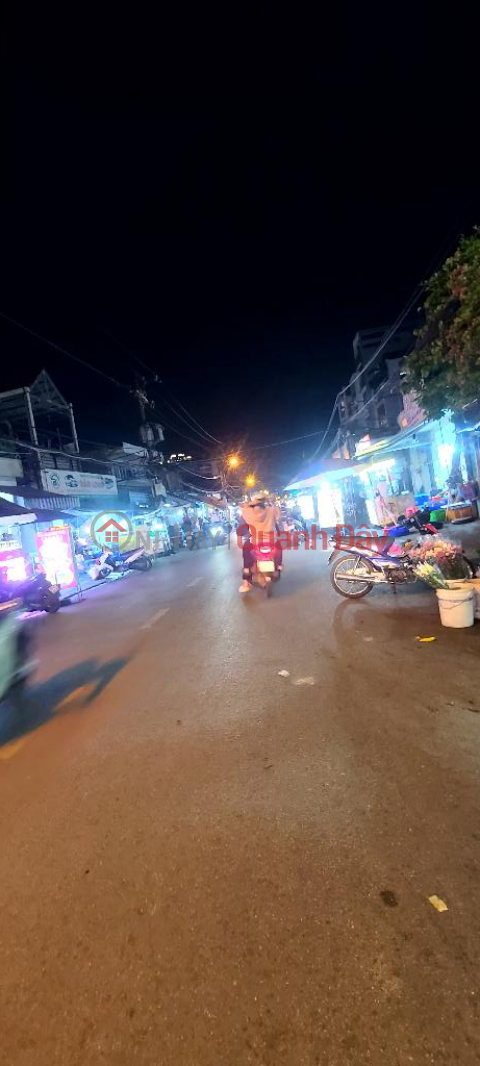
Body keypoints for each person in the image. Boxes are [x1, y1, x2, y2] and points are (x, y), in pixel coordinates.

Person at [238, 494, 282, 593]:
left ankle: (245, 583)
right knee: (279, 546)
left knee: (246, 555)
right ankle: (278, 566)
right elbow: (278, 517)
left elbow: (242, 519)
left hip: (255, 541)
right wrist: (271, 502)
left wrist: (248, 504)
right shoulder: (271, 510)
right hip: (271, 540)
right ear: (264, 501)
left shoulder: (248, 512)